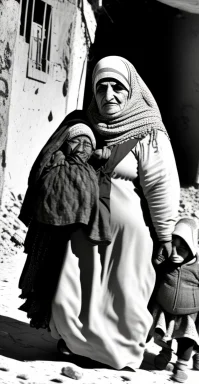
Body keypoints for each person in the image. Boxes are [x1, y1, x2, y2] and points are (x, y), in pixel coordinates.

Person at [46, 55, 180, 370]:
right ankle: (75, 343)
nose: (109, 95)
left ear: (131, 89)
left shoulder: (149, 132)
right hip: (83, 225)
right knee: (75, 286)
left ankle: (116, 353)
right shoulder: (84, 124)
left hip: (127, 236)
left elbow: (162, 186)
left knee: (124, 293)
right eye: (101, 87)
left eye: (117, 86)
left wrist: (165, 234)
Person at [18, 119, 111, 330]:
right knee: (46, 278)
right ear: (64, 144)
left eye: (87, 144)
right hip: (50, 234)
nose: (80, 148)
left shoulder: (92, 171)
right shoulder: (56, 164)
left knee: (66, 282)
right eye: (75, 141)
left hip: (76, 240)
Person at [150, 217, 199, 383]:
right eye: (172, 247)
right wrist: (158, 260)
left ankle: (182, 365)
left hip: (189, 316)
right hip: (166, 313)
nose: (175, 253)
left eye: (181, 249)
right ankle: (165, 352)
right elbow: (154, 277)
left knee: (186, 340)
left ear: (191, 248)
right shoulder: (166, 266)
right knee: (164, 334)